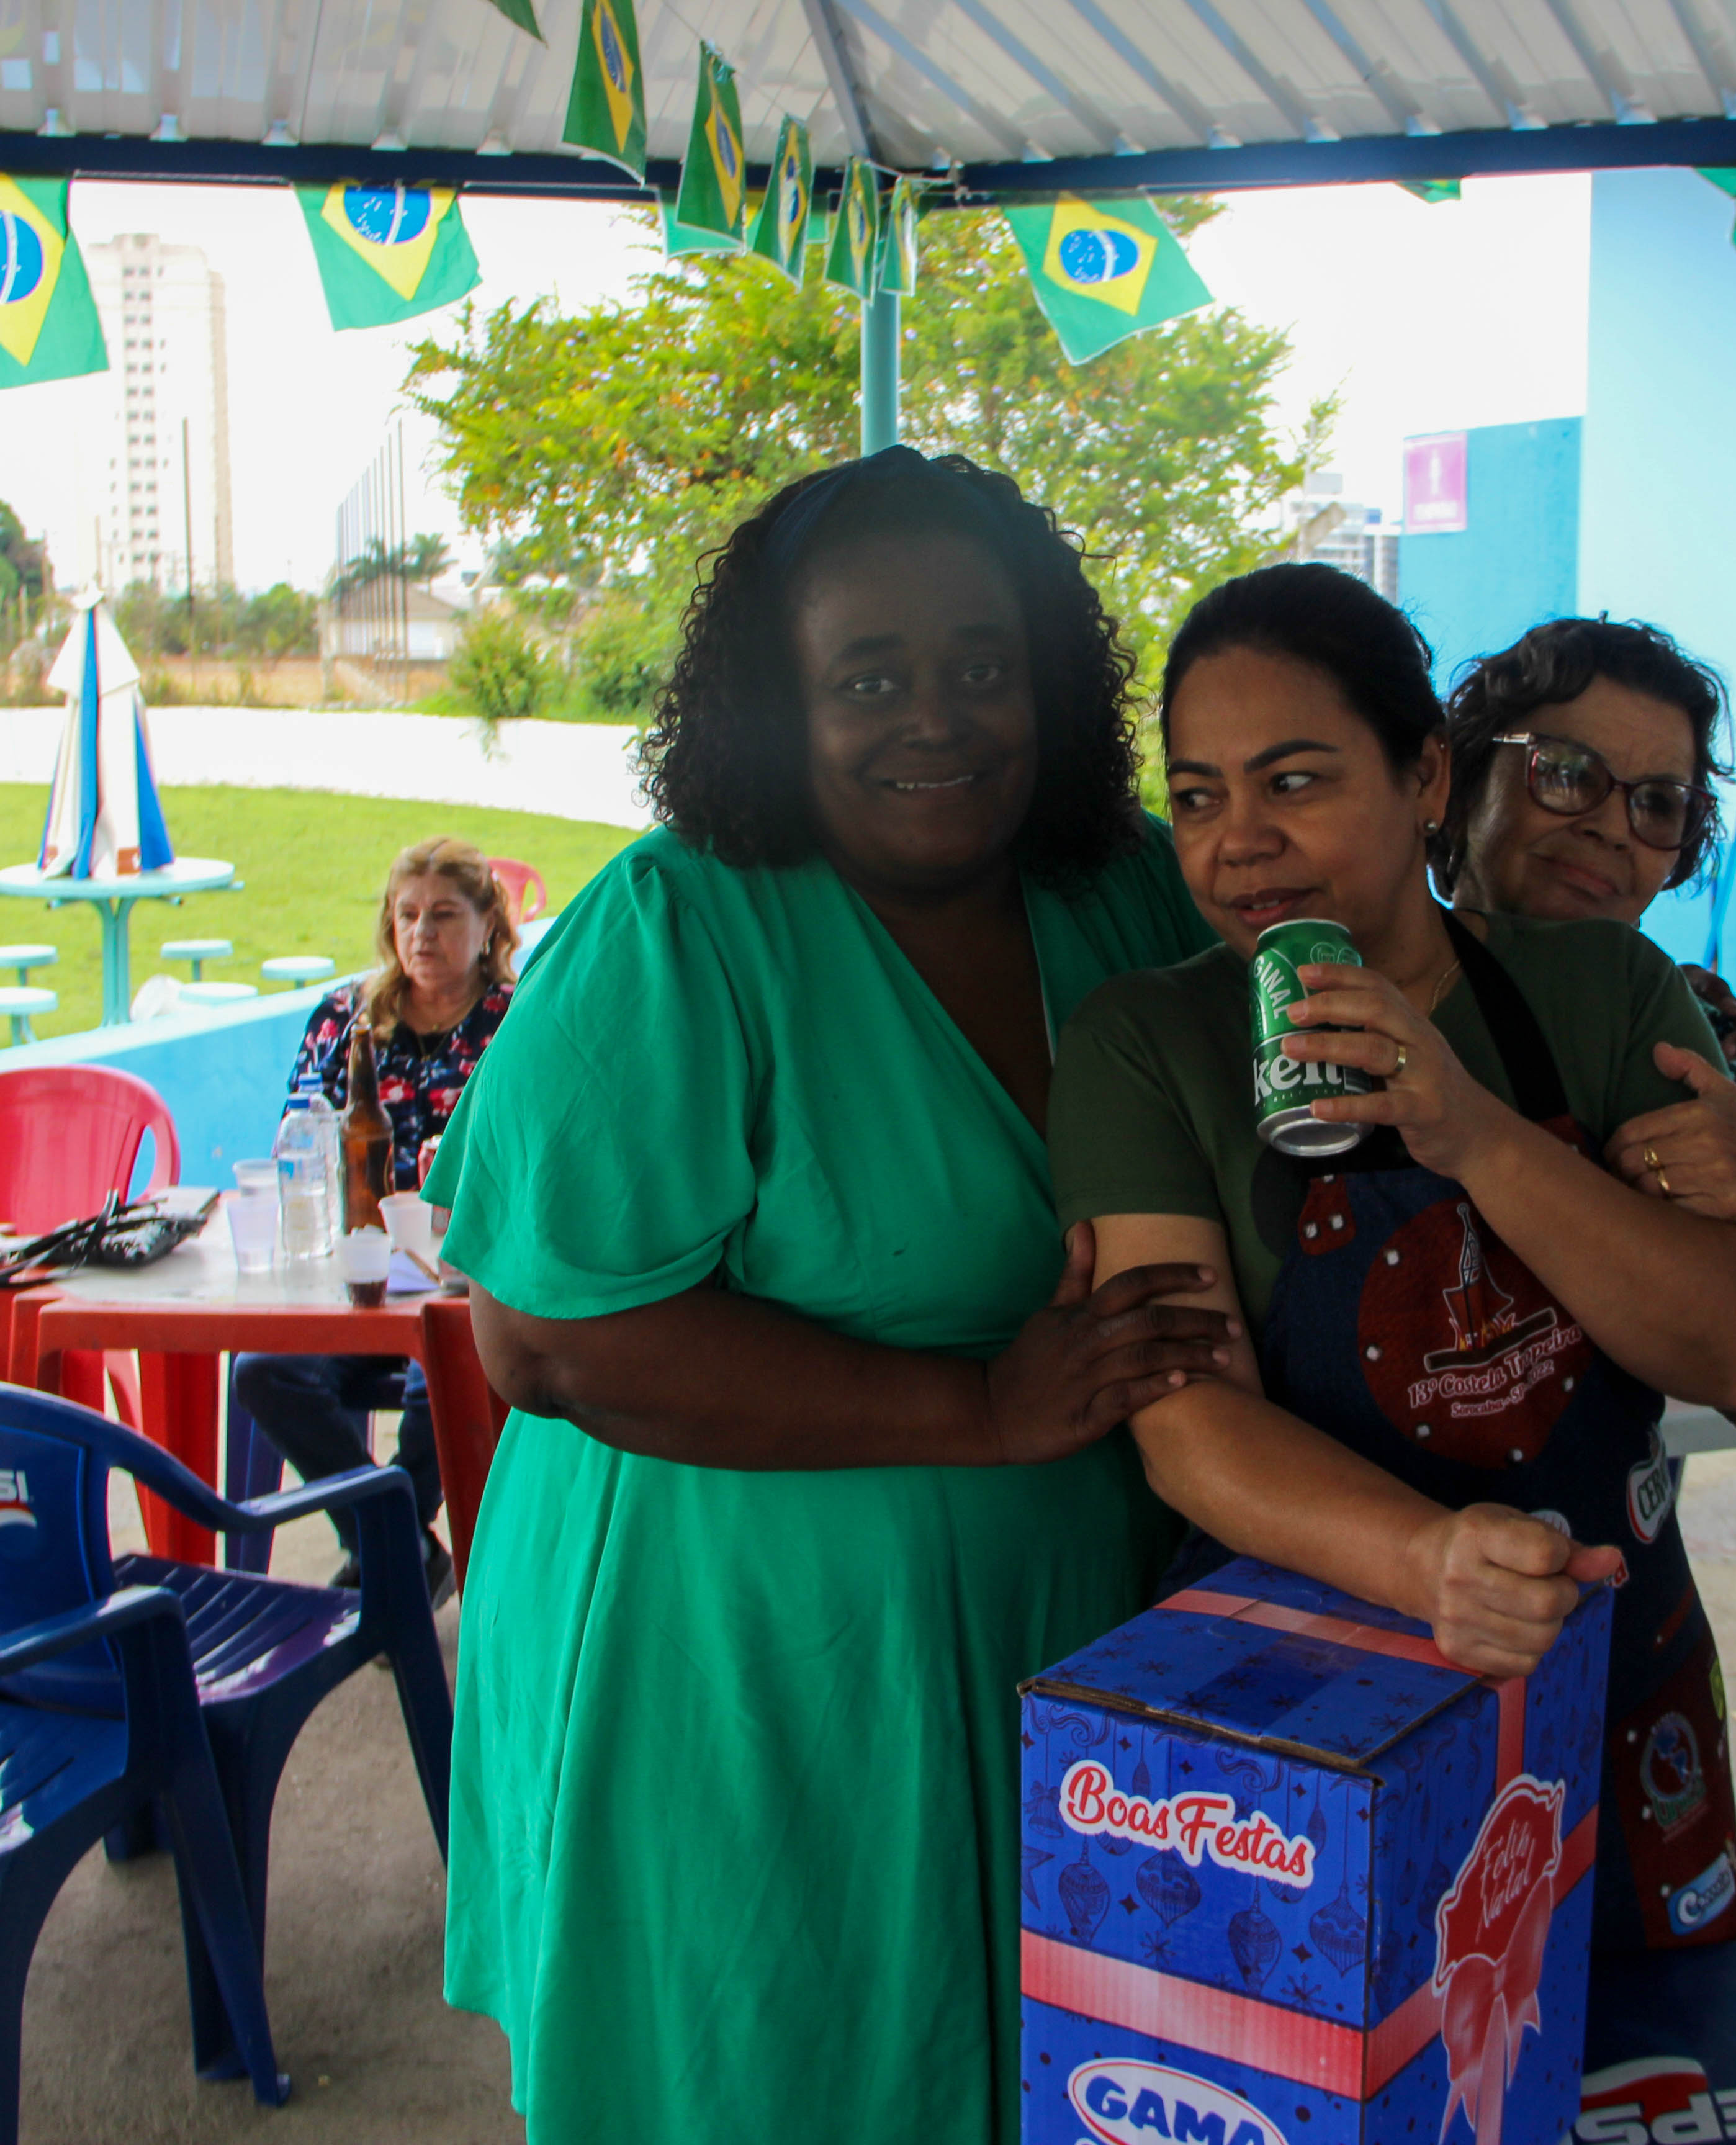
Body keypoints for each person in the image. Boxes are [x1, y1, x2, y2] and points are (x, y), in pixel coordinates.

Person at [420, 448, 1233, 2144]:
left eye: (981, 666)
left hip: (1070, 1622)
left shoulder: (1127, 889)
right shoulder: (679, 926)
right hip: (743, 1666)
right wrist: (978, 1407)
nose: (934, 718)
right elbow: (540, 1340)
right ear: (775, 703)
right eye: (867, 677)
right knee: (777, 2069)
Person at [1050, 564, 1736, 1951]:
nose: (1239, 844)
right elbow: (1185, 1419)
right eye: (1199, 798)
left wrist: (1470, 1129)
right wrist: (1428, 1560)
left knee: (1648, 2044)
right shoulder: (1146, 1043)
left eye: (1294, 782)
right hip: (1305, 1713)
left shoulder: (1606, 991)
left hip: (1611, 1677)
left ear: (1425, 777)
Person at [1436, 617, 1736, 1325]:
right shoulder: (1344, 994)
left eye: (1657, 802)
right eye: (1564, 773)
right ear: (1457, 786)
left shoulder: (1681, 1043)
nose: (1613, 828)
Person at [231, 835, 516, 1604]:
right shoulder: (346, 1019)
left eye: (445, 915)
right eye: (408, 914)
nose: (422, 933)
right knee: (263, 1371)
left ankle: (385, 1553)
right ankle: (399, 1548)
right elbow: (298, 1135)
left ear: (488, 924)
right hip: (353, 1276)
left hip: (462, 1280)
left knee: (441, 1382)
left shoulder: (517, 1023)